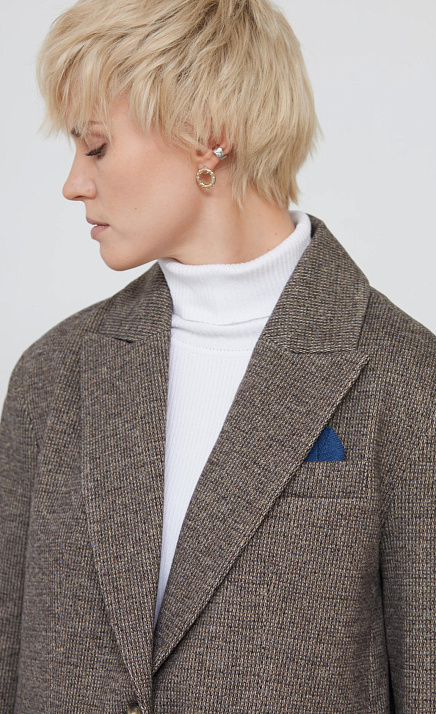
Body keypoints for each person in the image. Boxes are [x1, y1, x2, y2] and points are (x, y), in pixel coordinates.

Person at [0, 0, 434, 711]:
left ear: (208, 138)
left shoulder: (407, 380)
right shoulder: (52, 376)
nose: (73, 183)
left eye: (96, 146)